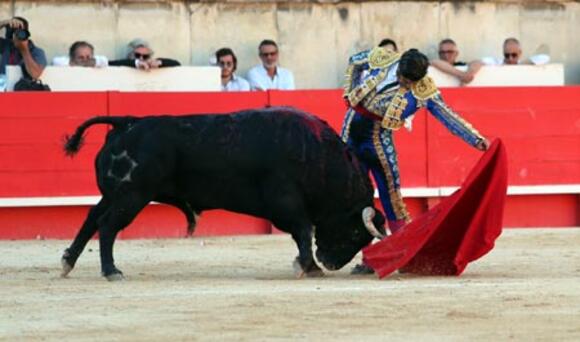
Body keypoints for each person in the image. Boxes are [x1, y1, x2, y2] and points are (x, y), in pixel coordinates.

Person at [340, 47, 489, 274]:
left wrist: (478, 140)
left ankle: (398, 257)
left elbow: (448, 116)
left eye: (410, 81)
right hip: (350, 131)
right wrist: (349, 92)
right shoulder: (384, 58)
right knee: (352, 196)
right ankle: (363, 255)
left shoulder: (423, 90)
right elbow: (354, 61)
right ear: (399, 65)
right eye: (403, 77)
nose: (405, 83)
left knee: (392, 199)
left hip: (378, 140)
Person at [0, 17, 47, 82]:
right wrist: (4, 22)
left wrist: (24, 49)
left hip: (22, 89)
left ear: (25, 33)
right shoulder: (6, 45)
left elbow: (35, 74)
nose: (14, 35)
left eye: (18, 32)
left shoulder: (37, 52)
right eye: (11, 30)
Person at [109, 38, 180, 70]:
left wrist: (160, 62)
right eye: (137, 55)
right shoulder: (123, 63)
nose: (141, 58)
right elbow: (110, 63)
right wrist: (136, 63)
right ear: (130, 54)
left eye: (145, 56)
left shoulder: (151, 63)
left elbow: (177, 63)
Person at [481, 37, 550, 66]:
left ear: (520, 53)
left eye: (514, 55)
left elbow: (545, 58)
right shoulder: (497, 63)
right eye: (507, 55)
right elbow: (482, 61)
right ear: (503, 53)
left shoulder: (522, 64)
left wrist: (522, 64)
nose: (510, 58)